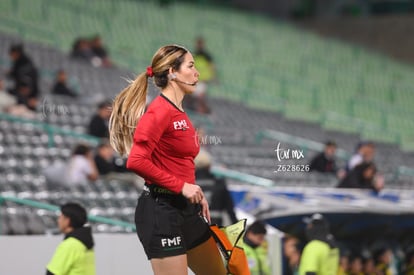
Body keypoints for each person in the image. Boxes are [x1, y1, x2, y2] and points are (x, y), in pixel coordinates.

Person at [108, 44, 227, 275]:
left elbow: (177, 162)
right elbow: (136, 161)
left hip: (186, 210)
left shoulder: (179, 111)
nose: (197, 73)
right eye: (191, 66)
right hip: (160, 211)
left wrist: (193, 190)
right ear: (172, 72)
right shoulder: (159, 111)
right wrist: (182, 186)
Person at [46, 202, 95, 275]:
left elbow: (52, 273)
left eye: (60, 217)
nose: (58, 221)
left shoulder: (70, 245)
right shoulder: (85, 243)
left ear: (67, 220)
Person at [194, 147, 238, 226]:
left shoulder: (189, 185)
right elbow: (230, 210)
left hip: (193, 227)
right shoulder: (219, 183)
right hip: (215, 227)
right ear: (209, 166)